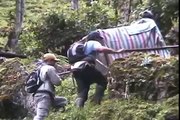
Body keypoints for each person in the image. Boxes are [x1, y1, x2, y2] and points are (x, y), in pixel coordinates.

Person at [70, 40, 124, 108]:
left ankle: (78, 110)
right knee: (102, 81)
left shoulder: (74, 48)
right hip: (86, 66)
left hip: (75, 70)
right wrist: (116, 51)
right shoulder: (92, 43)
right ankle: (96, 103)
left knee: (82, 90)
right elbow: (101, 49)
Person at [33, 53, 68, 120]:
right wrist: (59, 78)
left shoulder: (40, 68)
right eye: (54, 61)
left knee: (63, 101)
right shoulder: (50, 68)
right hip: (44, 95)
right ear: (49, 61)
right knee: (41, 116)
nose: (55, 63)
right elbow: (57, 82)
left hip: (39, 95)